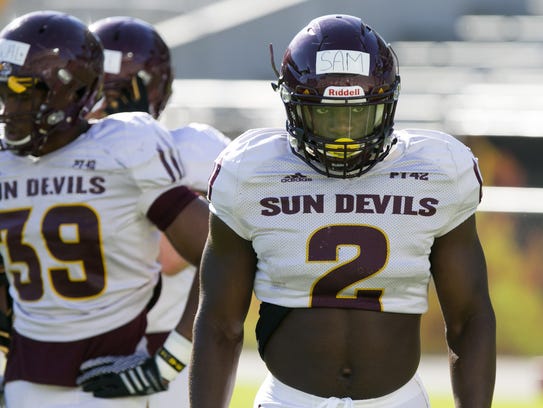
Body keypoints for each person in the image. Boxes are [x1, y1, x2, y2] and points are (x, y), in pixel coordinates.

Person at [190, 14, 496, 408]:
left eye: (359, 114)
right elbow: (219, 324)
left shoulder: (436, 171)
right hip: (289, 399)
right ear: (293, 106)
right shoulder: (251, 172)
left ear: (387, 105)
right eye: (327, 115)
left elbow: (469, 318)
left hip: (397, 400)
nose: (345, 135)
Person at [0, 10, 209, 407]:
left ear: (76, 91)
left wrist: (169, 360)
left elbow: (221, 254)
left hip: (113, 372)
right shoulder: (5, 160)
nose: (11, 108)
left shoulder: (129, 144)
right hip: (27, 374)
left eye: (26, 91)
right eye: (4, 91)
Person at [87, 16, 231, 408]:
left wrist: (133, 148)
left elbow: (168, 257)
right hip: (84, 349)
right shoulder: (59, 162)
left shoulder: (194, 149)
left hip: (174, 354)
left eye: (110, 96)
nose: (97, 109)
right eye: (92, 93)